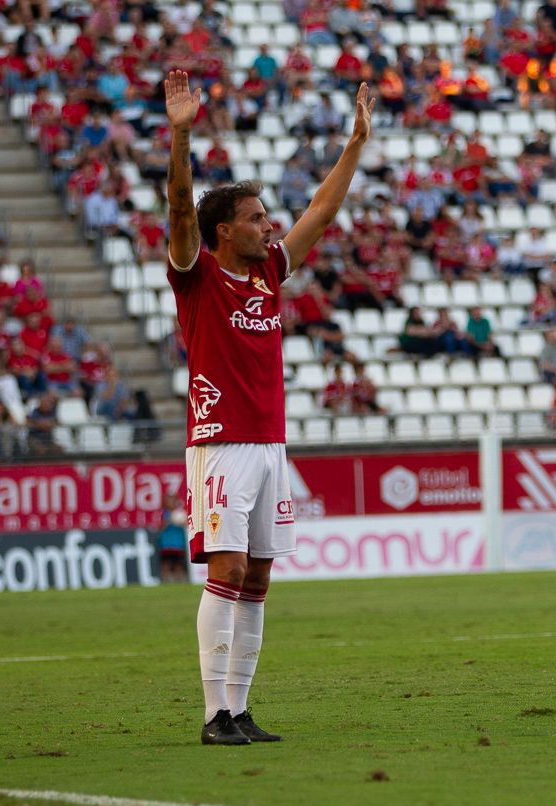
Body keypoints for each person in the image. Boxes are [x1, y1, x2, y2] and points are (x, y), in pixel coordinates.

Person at [165, 70, 374, 746]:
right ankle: (212, 715)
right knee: (225, 570)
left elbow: (321, 214)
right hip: (220, 442)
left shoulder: (267, 273)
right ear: (225, 231)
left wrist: (355, 144)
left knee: (257, 576)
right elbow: (179, 210)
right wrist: (181, 137)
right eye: (257, 218)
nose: (270, 225)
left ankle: (240, 708)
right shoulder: (197, 273)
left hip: (270, 442)